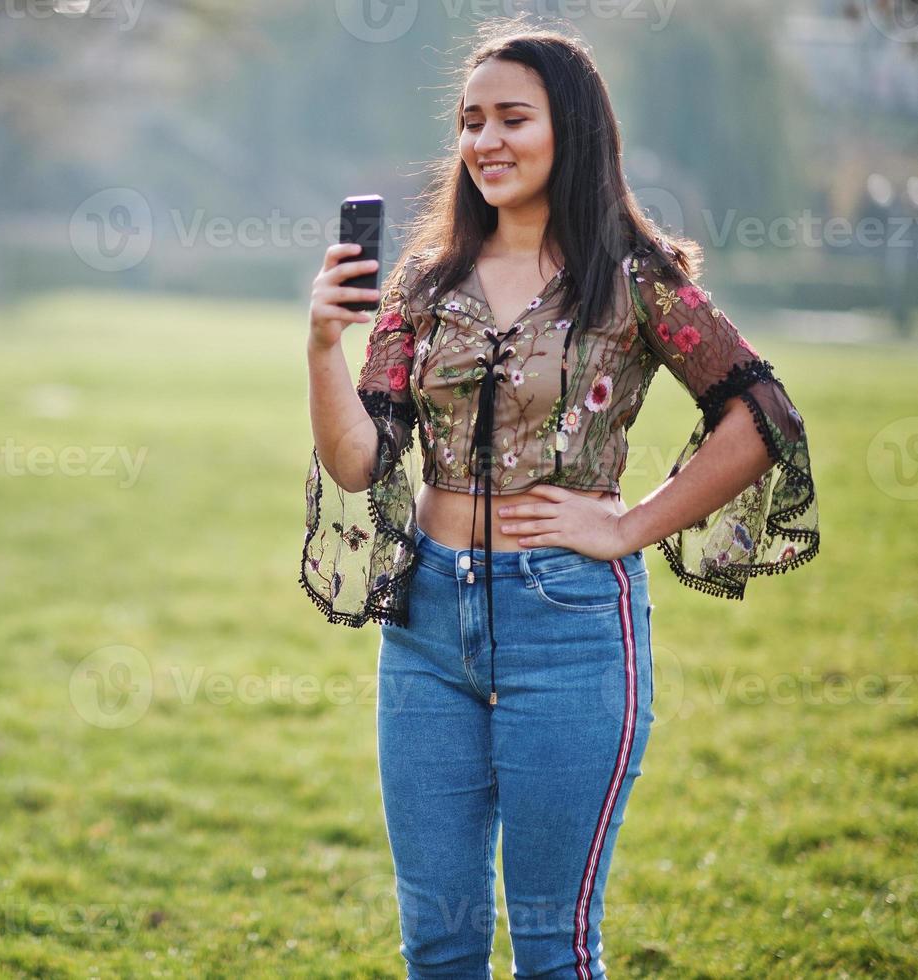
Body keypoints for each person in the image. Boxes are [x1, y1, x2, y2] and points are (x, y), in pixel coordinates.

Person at [300, 21, 819, 980]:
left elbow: (760, 415)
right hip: (425, 625)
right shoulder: (423, 284)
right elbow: (358, 463)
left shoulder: (629, 279)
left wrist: (625, 524)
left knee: (551, 950)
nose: (484, 142)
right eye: (468, 122)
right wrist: (323, 348)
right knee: (438, 946)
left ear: (568, 130)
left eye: (511, 118)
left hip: (568, 627)